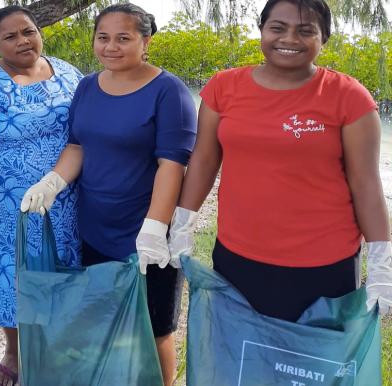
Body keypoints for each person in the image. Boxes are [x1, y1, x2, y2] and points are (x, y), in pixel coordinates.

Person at [168, 0, 392, 327]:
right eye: (277, 28)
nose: (289, 39)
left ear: (324, 38)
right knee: (243, 358)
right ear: (262, 30)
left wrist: (382, 264)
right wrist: (182, 223)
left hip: (324, 263)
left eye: (305, 31)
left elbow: (367, 185)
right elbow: (204, 159)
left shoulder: (349, 97)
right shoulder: (223, 88)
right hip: (238, 255)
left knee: (311, 368)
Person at [21, 3, 197, 385]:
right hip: (96, 226)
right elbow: (77, 146)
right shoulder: (87, 86)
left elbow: (173, 165)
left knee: (155, 326)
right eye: (103, 37)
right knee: (106, 315)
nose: (111, 46)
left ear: (146, 41)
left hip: (147, 233)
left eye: (123, 38)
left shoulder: (169, 91)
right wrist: (52, 182)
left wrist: (155, 227)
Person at [0, 5, 82, 385]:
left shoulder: (69, 73)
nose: (23, 40)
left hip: (62, 198)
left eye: (29, 31)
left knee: (57, 269)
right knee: (12, 276)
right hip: (3, 201)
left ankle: (52, 349)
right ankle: (15, 350)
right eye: (11, 36)